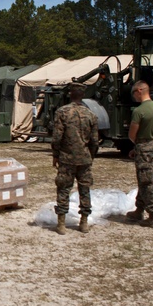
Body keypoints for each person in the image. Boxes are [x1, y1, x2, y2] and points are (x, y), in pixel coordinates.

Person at [51, 82, 99, 235]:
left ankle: (61, 224)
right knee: (84, 190)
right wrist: (90, 155)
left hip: (67, 158)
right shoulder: (91, 114)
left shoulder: (62, 112)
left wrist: (56, 155)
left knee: (64, 189)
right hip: (84, 158)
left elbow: (57, 137)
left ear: (70, 94)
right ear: (82, 95)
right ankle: (83, 222)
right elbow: (95, 141)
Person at [126, 80, 153, 228]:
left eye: (134, 93)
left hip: (145, 149)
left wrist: (138, 146)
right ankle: (139, 210)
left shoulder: (139, 111)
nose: (134, 96)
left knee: (147, 183)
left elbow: (132, 134)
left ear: (140, 90)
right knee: (147, 180)